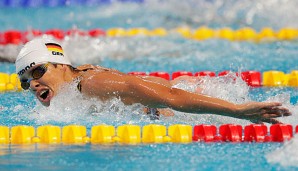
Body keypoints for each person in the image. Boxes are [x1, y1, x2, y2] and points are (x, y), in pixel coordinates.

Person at [15, 37, 291, 123]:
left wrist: (237, 111)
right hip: (182, 97)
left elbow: (169, 96)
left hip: (188, 104)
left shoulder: (91, 84)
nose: (34, 84)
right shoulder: (77, 82)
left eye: (38, 71)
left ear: (62, 65)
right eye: (26, 81)